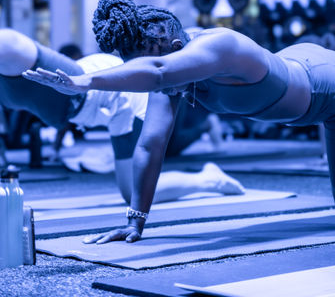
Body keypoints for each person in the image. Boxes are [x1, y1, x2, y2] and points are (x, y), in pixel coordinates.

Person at [24, 0, 335, 245]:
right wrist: (136, 221)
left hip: (326, 83)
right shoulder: (171, 78)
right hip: (304, 75)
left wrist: (85, 81)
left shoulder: (220, 45)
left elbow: (158, 73)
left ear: (175, 48)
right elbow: (150, 145)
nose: (147, 84)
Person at [0, 28, 244, 203]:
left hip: (119, 102)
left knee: (133, 193)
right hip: (86, 87)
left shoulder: (12, 52)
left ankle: (209, 179)